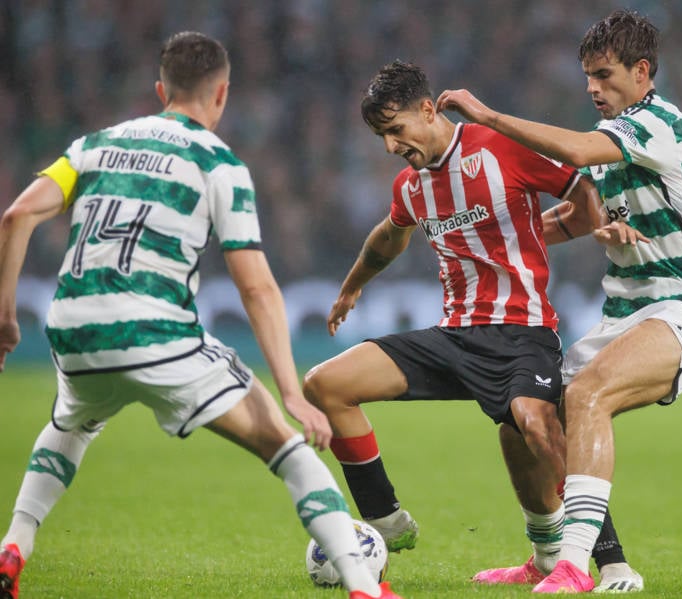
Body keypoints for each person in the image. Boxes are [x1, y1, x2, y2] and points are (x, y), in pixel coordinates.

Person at [0, 32, 402, 599]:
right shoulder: (218, 162)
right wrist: (289, 390)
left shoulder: (94, 144)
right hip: (155, 329)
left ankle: (14, 544)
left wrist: (5, 317)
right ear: (222, 95)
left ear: (161, 89)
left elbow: (16, 216)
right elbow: (257, 287)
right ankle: (365, 586)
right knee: (286, 449)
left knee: (71, 425)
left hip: (72, 326)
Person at [302, 59, 638, 591]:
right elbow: (388, 237)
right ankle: (386, 522)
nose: (391, 146)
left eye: (396, 130)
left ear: (428, 109)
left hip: (523, 330)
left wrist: (598, 227)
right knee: (325, 383)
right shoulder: (411, 187)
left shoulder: (495, 147)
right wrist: (351, 286)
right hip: (455, 337)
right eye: (381, 137)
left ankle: (611, 560)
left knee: (535, 423)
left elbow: (578, 186)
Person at [437, 9, 682, 593]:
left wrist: (489, 117)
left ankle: (578, 565)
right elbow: (582, 215)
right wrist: (496, 241)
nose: (593, 88)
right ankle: (550, 556)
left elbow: (573, 154)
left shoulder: (657, 121)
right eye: (587, 77)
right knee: (523, 414)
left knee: (587, 393)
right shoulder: (621, 133)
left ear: (642, 70)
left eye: (603, 75)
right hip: (625, 314)